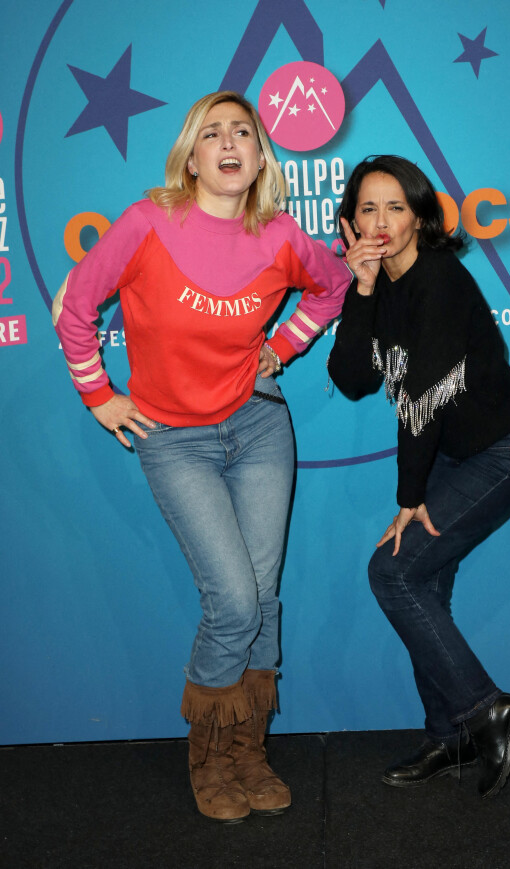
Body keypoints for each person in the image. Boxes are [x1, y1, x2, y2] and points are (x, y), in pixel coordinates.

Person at [52, 90, 352, 822]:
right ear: (191, 157)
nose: (228, 142)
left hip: (259, 428)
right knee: (235, 602)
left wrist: (280, 349)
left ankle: (250, 751)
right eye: (211, 133)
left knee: (265, 598)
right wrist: (99, 396)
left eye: (242, 132)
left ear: (258, 155)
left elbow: (334, 284)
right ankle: (210, 756)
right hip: (173, 439)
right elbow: (75, 305)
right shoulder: (148, 221)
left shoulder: (280, 234)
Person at [327, 155, 510, 799]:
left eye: (396, 207)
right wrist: (361, 289)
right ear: (349, 222)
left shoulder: (441, 281)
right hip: (454, 458)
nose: (382, 221)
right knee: (420, 581)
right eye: (368, 208)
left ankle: (486, 710)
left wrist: (408, 500)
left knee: (392, 572)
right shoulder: (383, 286)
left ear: (421, 217)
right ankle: (450, 736)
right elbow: (352, 378)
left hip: (503, 454)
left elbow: (420, 405)